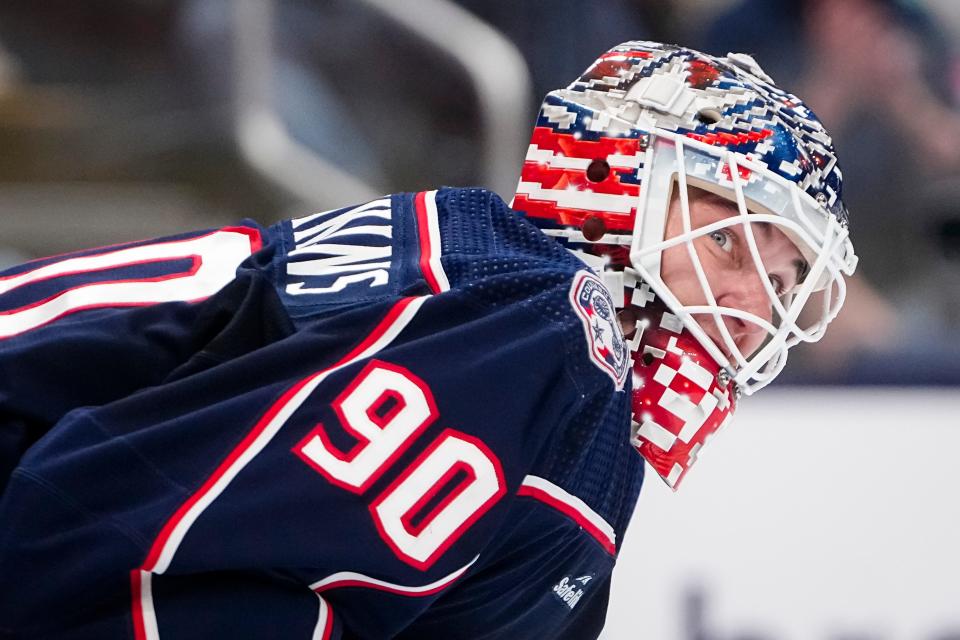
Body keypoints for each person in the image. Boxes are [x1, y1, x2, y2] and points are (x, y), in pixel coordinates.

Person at [0, 41, 856, 639]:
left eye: (785, 280)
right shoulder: (543, 323)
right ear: (617, 178)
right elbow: (101, 532)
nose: (753, 302)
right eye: (725, 239)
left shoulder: (566, 372)